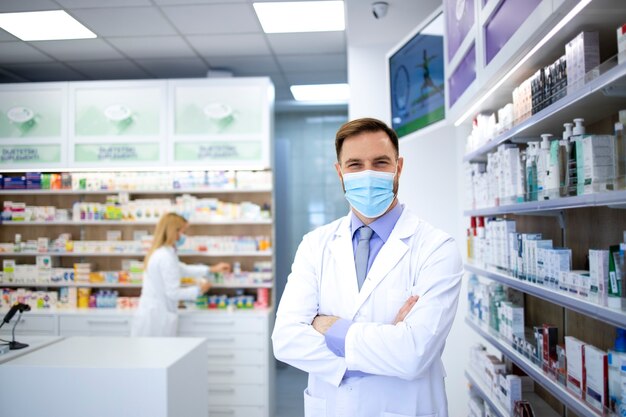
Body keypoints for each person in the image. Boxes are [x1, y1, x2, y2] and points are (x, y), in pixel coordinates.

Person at [272, 117, 463, 417]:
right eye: (355, 165)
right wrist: (385, 343)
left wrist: (330, 328)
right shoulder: (315, 244)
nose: (368, 174)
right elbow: (286, 340)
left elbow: (413, 353)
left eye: (381, 162)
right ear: (340, 172)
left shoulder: (436, 247)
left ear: (399, 167)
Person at [131, 212, 231, 337]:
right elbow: (173, 293)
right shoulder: (165, 256)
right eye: (182, 232)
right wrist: (199, 290)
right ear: (173, 232)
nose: (184, 237)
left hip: (154, 313)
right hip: (157, 317)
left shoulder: (164, 252)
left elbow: (181, 268)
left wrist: (211, 269)